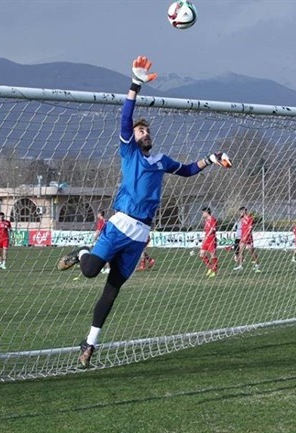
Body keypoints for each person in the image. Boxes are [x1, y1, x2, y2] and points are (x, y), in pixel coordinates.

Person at [56, 56, 231, 368]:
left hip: (141, 235)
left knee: (113, 291)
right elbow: (125, 119)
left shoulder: (161, 160)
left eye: (145, 130)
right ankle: (83, 252)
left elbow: (189, 170)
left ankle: (89, 344)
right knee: (91, 271)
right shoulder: (128, 151)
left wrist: (212, 157)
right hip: (120, 224)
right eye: (139, 130)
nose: (143, 133)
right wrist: (135, 84)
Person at [234, 206, 260, 272]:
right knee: (240, 251)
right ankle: (240, 266)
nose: (240, 213)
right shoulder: (242, 219)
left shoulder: (250, 218)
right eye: (240, 212)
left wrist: (247, 235)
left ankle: (257, 264)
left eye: (241, 212)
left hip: (248, 237)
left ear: (244, 211)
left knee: (251, 251)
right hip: (242, 237)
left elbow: (250, 228)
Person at [199, 207, 218, 277]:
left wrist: (207, 236)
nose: (202, 214)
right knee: (201, 254)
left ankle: (214, 271)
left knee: (213, 255)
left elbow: (213, 229)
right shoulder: (206, 220)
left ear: (207, 212)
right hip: (206, 240)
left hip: (212, 240)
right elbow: (206, 230)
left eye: (203, 213)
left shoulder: (213, 219)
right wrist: (204, 237)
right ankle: (211, 267)